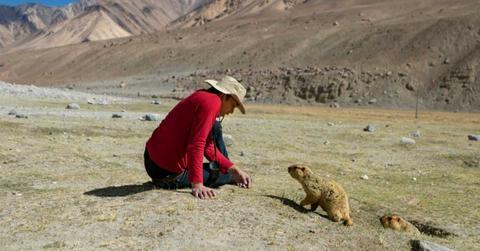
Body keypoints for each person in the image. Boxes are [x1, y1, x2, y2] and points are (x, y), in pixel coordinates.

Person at [144, 76, 252, 199]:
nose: (231, 111)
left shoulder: (201, 95)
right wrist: (197, 184)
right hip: (167, 173)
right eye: (233, 105)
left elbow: (208, 147)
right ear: (224, 96)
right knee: (226, 175)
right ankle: (227, 174)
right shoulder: (213, 102)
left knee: (215, 127)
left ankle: (228, 170)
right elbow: (197, 143)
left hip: (151, 160)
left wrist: (234, 168)